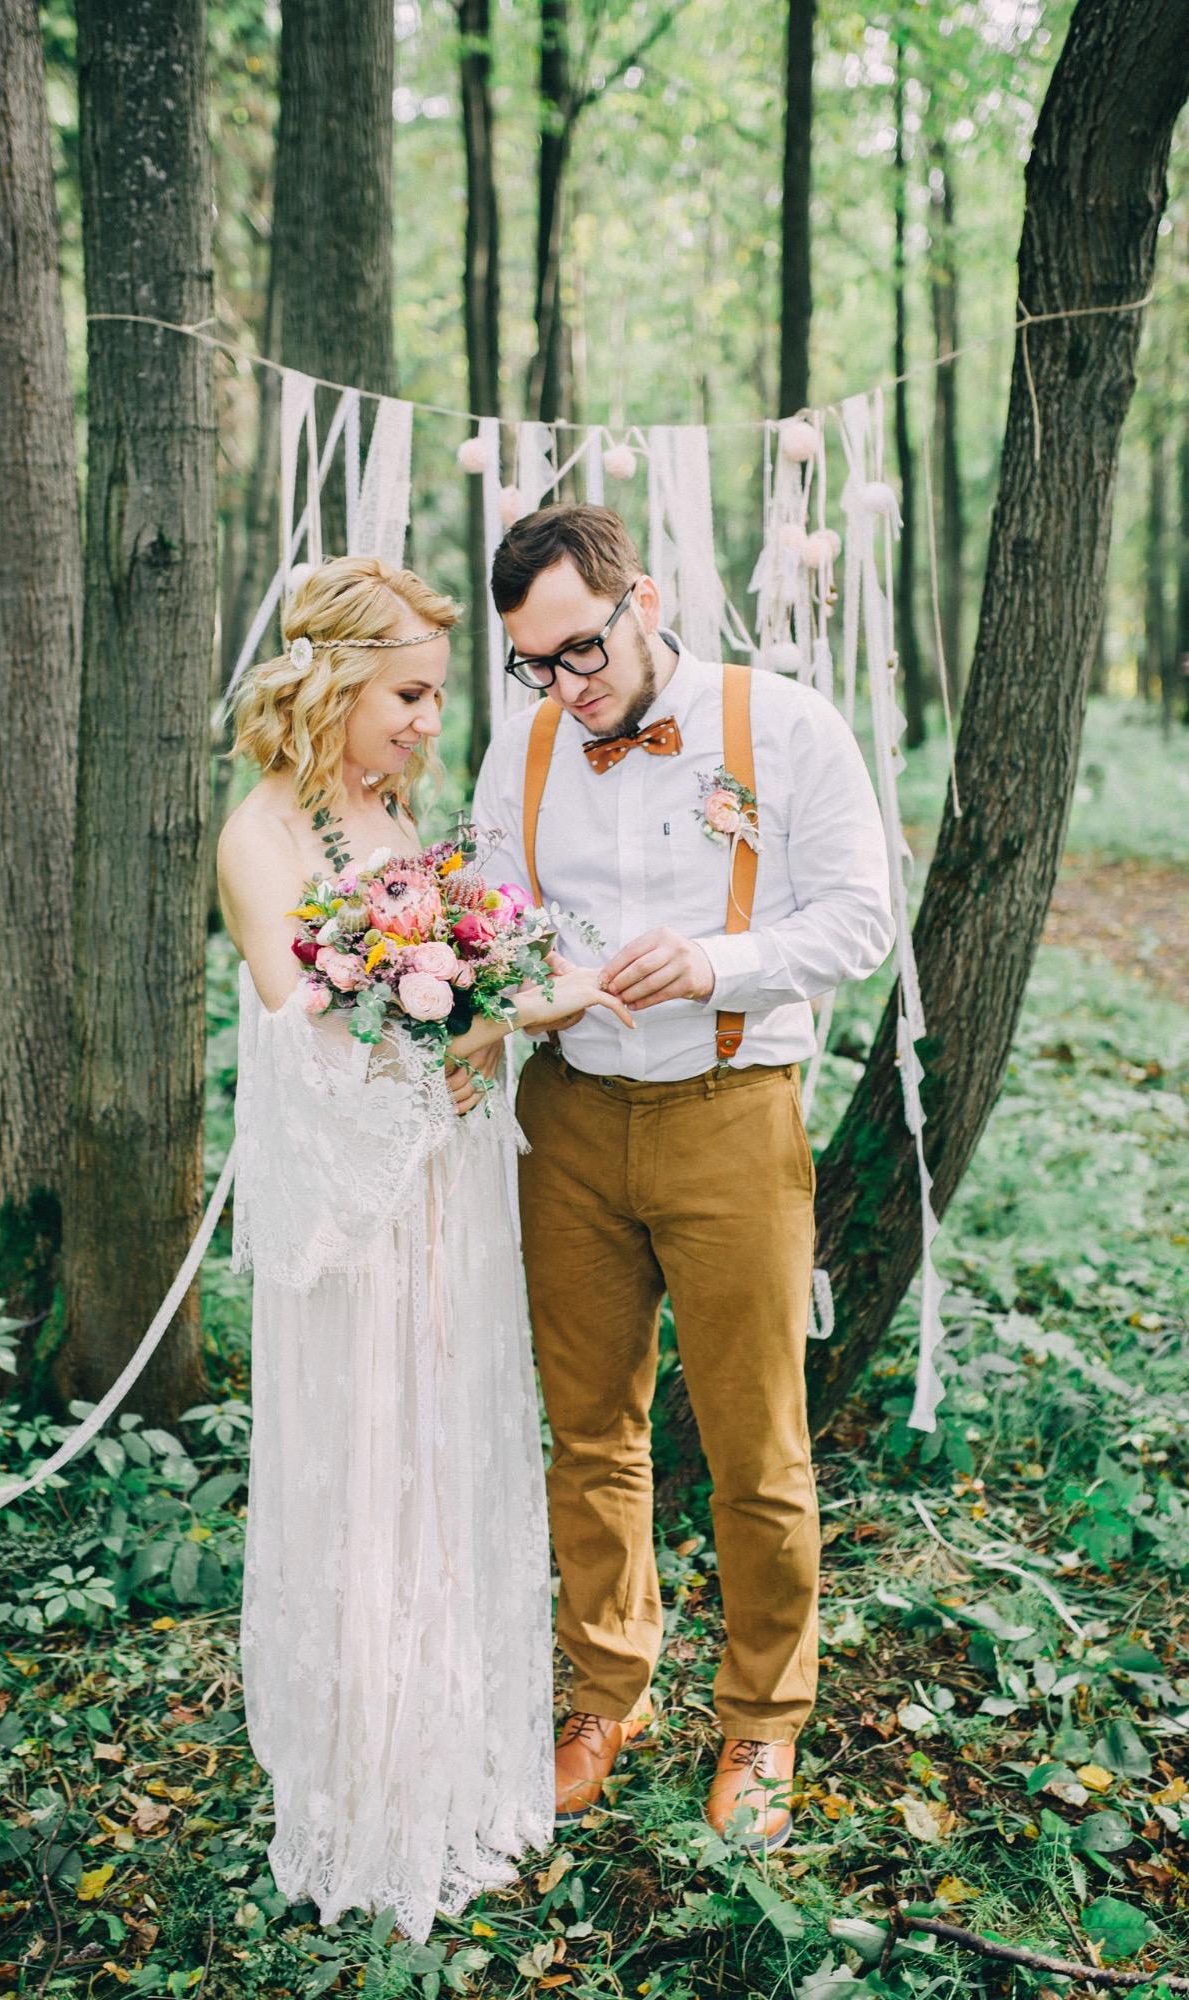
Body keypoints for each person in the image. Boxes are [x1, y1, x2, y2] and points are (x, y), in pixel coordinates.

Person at [215, 555, 632, 1943]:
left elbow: (442, 991)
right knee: (373, 1467)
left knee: (448, 1459)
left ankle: (453, 1760)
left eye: (436, 696)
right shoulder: (263, 837)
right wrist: (479, 1021)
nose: (425, 722)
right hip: (360, 1221)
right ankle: (369, 1788)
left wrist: (492, 1016)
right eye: (406, 694)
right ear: (329, 684)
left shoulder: (395, 816)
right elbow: (303, 1041)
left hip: (448, 1202)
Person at [469, 505, 895, 1852]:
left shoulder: (786, 726)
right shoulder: (522, 745)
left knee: (754, 1445)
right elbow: (491, 913)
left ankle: (763, 1718)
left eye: (582, 650)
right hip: (568, 1121)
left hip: (730, 1114)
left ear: (642, 601)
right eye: (535, 663)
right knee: (590, 1431)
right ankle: (607, 1695)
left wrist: (719, 963)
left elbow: (862, 921)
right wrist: (520, 974)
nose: (565, 685)